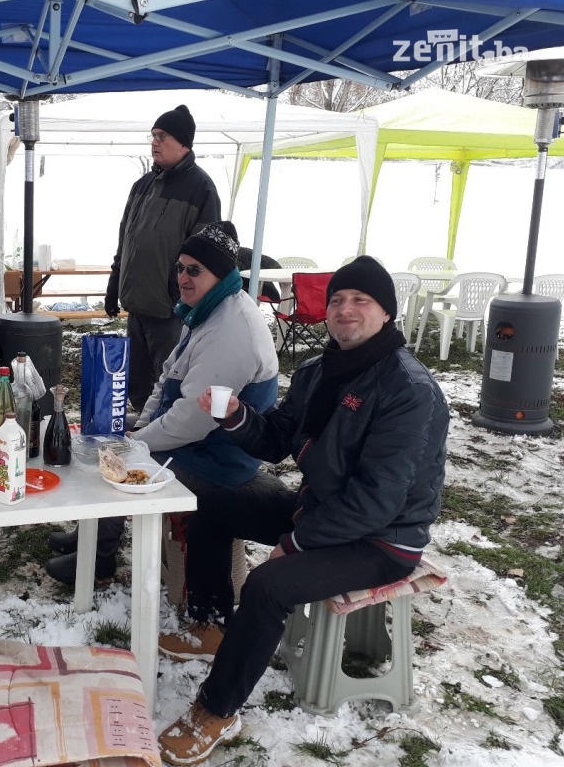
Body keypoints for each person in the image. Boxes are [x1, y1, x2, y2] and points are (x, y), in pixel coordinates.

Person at [156, 256, 450, 766]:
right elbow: (277, 438)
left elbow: (377, 500)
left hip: (382, 539)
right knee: (213, 506)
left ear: (387, 312)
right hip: (323, 510)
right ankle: (211, 623)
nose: (345, 309)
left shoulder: (409, 390)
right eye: (337, 300)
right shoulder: (319, 370)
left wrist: (297, 543)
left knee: (269, 584)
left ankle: (216, 710)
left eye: (361, 300)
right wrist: (236, 417)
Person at [45, 223, 287, 599]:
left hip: (218, 459)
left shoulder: (230, 330)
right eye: (180, 268)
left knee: (114, 457)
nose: (183, 278)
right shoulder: (208, 309)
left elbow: (192, 420)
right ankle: (90, 533)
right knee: (103, 427)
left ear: (220, 274)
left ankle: (98, 557)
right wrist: (139, 426)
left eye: (195, 270)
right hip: (194, 440)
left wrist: (136, 442)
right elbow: (166, 378)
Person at [105, 104, 221, 413]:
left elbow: (205, 257)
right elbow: (125, 241)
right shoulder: (142, 186)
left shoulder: (201, 189)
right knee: (137, 384)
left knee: (167, 385)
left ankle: (164, 435)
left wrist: (176, 295)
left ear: (184, 144)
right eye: (153, 136)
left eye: (162, 136)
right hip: (137, 306)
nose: (154, 142)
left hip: (171, 312)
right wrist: (114, 285)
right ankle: (143, 434)